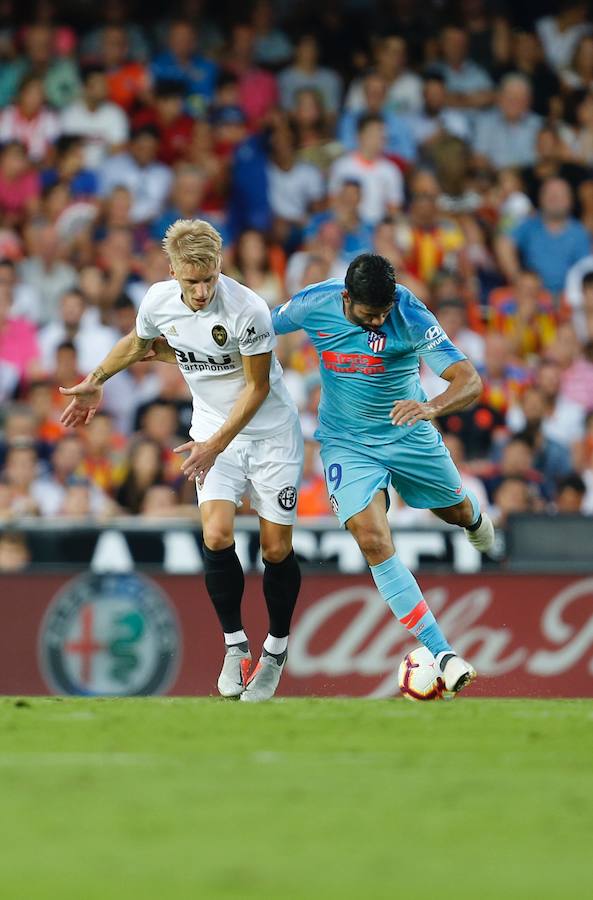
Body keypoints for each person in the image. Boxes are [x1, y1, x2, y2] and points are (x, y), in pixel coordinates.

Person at [59, 219, 303, 703]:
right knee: (215, 534)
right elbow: (139, 341)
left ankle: (275, 649)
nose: (201, 289)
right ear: (172, 272)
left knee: (275, 550)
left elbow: (256, 389)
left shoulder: (248, 310)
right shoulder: (157, 299)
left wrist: (214, 444)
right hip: (212, 432)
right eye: (191, 281)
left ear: (219, 267)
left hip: (271, 435)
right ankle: (236, 646)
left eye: (209, 277)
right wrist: (98, 378)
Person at [270, 253, 496, 696]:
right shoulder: (314, 302)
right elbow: (257, 325)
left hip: (408, 432)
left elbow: (469, 380)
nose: (378, 321)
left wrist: (431, 406)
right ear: (346, 298)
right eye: (369, 314)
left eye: (383, 313)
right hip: (346, 442)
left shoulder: (408, 311)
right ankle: (443, 652)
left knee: (456, 510)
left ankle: (474, 522)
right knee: (372, 538)